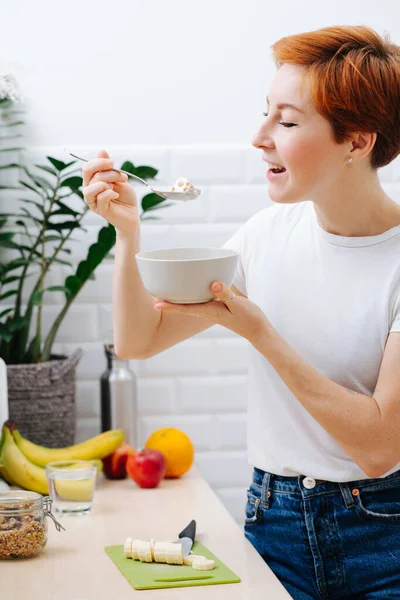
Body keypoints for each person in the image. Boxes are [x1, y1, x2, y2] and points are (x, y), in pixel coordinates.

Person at [82, 24, 400, 599]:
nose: (260, 137)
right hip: (274, 523)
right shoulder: (263, 236)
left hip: (382, 534)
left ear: (357, 141)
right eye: (265, 114)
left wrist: (261, 334)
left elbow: (379, 448)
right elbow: (139, 340)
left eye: (287, 120)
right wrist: (128, 234)